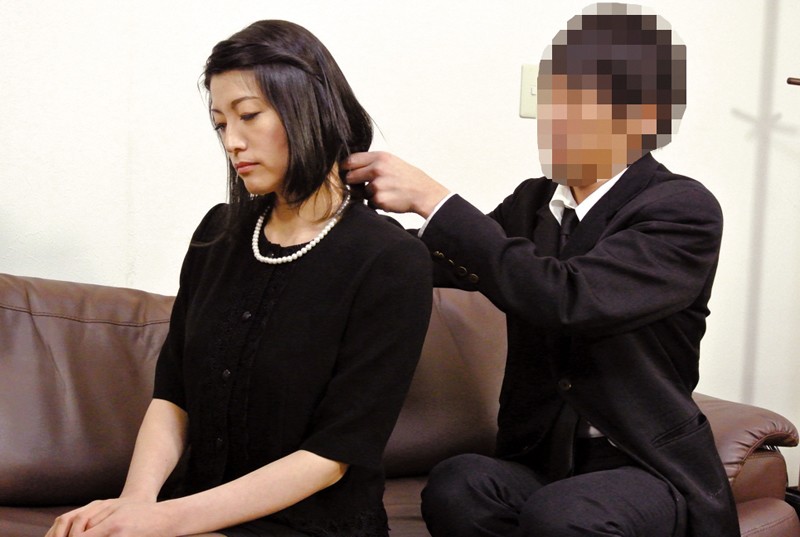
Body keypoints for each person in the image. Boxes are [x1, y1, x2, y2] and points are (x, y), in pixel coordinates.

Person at [344, 3, 739, 537]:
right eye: (553, 97)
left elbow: (569, 298)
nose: (556, 117)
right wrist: (334, 217)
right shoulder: (532, 204)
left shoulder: (680, 209)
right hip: (543, 460)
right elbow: (437, 261)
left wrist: (434, 200)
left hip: (643, 466)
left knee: (564, 513)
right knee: (459, 485)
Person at [46, 20, 432, 537]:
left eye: (248, 116)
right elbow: (173, 395)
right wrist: (133, 503)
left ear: (308, 109)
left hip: (311, 524)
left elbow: (331, 456)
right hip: (193, 508)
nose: (232, 141)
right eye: (220, 124)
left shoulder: (390, 260)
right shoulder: (218, 234)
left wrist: (162, 521)